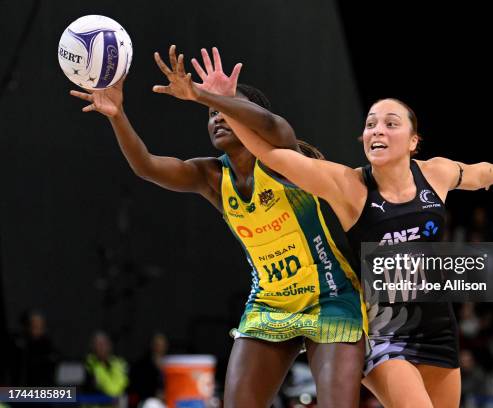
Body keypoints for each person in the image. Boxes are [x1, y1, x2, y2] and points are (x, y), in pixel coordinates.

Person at [151, 46, 493, 407]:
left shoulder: (436, 172)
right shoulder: (348, 185)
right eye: (370, 124)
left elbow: (473, 174)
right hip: (385, 332)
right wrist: (221, 104)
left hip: (440, 329)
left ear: (413, 141)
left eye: (390, 124)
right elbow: (271, 153)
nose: (377, 130)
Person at [69, 46, 366, 408]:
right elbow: (146, 166)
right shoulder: (212, 176)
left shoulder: (284, 161)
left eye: (225, 110)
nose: (217, 118)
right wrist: (117, 115)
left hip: (330, 297)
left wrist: (203, 94)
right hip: (270, 303)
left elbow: (275, 126)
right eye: (211, 113)